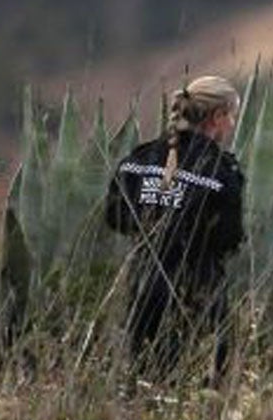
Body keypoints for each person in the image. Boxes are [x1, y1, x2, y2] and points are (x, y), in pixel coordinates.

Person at [105, 75, 247, 380]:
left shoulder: (138, 160)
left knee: (143, 384)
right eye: (231, 116)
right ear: (218, 117)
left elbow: (115, 216)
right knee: (203, 387)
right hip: (200, 296)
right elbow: (229, 237)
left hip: (142, 290)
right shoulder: (221, 171)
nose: (232, 125)